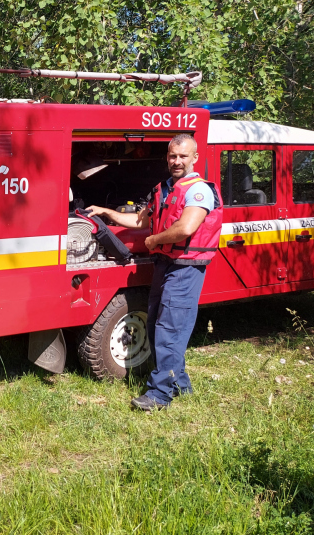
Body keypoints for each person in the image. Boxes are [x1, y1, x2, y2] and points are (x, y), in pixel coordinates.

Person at [87, 134, 223, 411]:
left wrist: (154, 240)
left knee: (169, 330)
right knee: (156, 326)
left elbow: (186, 228)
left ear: (195, 158)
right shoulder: (166, 188)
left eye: (183, 156)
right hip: (165, 265)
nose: (177, 161)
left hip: (185, 268)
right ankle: (180, 384)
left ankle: (159, 395)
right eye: (172, 156)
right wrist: (106, 212)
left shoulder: (199, 191)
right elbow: (140, 220)